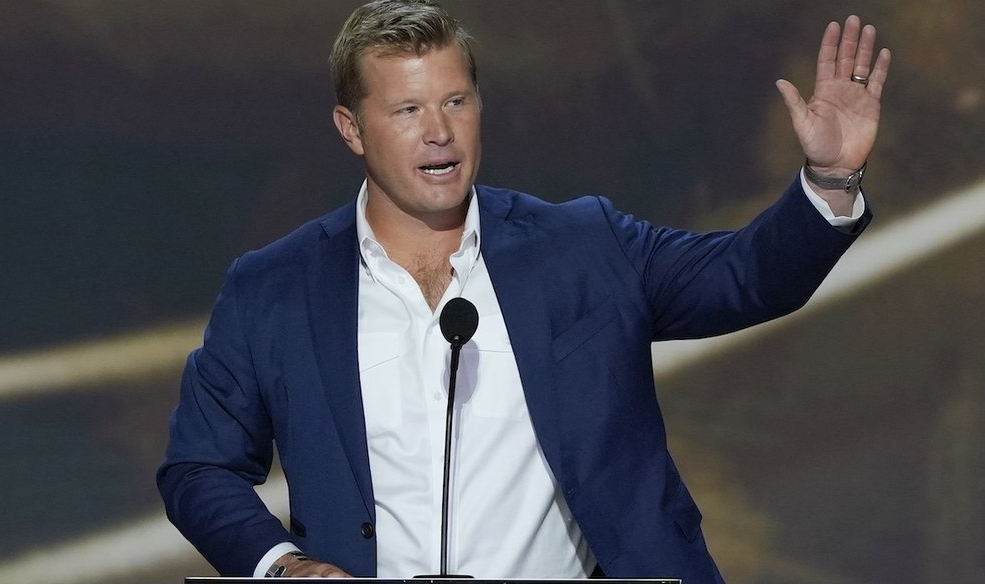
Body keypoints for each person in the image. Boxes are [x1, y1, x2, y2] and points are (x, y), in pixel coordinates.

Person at [157, 1, 891, 581]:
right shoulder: (276, 288)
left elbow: (746, 277)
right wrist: (283, 566)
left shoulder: (582, 245)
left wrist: (828, 180)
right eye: (408, 111)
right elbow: (199, 468)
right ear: (351, 129)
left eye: (457, 102)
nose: (439, 133)